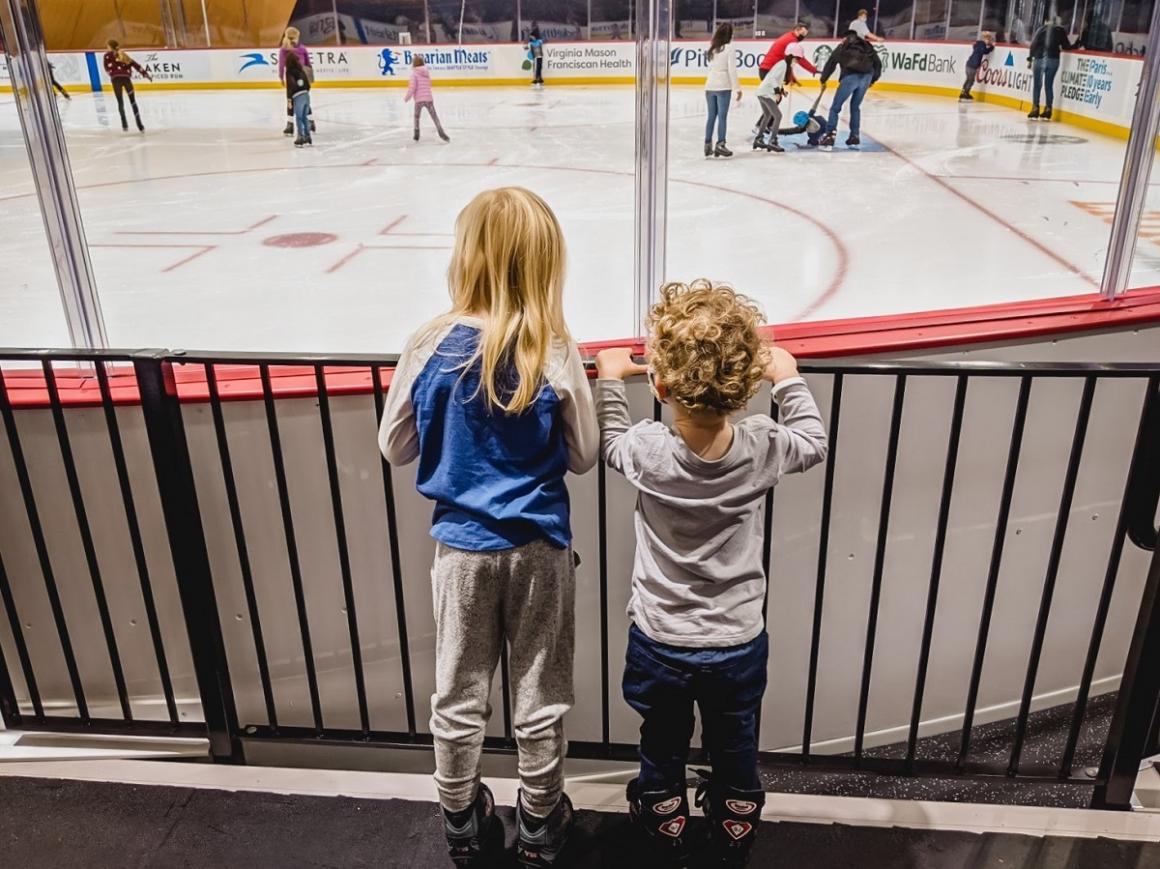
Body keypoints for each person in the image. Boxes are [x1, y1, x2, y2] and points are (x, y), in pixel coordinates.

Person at [379, 187, 598, 869]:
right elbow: (586, 453)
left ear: (465, 256)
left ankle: (461, 820)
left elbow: (396, 445)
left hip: (461, 552)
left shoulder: (429, 345)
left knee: (458, 690)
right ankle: (539, 821)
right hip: (538, 550)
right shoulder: (554, 350)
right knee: (539, 693)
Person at [594, 280, 827, 868]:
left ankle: (664, 817)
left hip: (661, 638)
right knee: (735, 737)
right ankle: (736, 817)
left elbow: (611, 439)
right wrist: (789, 377)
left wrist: (610, 378)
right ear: (745, 381)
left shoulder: (649, 452)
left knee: (662, 738)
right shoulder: (763, 446)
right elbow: (814, 442)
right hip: (736, 640)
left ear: (663, 385)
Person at [818, 30, 882, 148]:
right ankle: (854, 135)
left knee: (835, 108)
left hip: (850, 77)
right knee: (855, 107)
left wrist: (823, 80)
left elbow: (831, 63)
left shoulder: (843, 46)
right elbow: (878, 64)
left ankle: (830, 135)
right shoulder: (866, 45)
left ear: (845, 37)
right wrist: (873, 80)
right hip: (866, 77)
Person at [753, 42, 806, 152]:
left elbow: (775, 79)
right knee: (778, 116)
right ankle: (772, 141)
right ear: (792, 56)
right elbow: (772, 79)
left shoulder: (783, 64)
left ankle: (758, 139)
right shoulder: (783, 65)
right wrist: (777, 91)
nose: (797, 62)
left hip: (762, 92)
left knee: (767, 115)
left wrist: (781, 91)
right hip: (766, 93)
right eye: (797, 59)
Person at [704, 22, 742, 158]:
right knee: (722, 117)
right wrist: (737, 88)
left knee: (711, 116)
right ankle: (721, 144)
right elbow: (732, 70)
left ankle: (707, 145)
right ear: (730, 35)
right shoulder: (729, 48)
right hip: (723, 86)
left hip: (709, 86)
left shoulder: (713, 48)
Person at [1027, 17, 1075, 120]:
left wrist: (1030, 59)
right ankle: (1048, 109)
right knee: (1049, 85)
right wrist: (1077, 44)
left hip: (1040, 59)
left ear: (1045, 21)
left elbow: (1033, 45)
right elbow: (1066, 46)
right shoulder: (1060, 30)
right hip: (1054, 60)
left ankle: (1035, 109)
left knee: (1037, 85)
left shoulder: (1040, 29)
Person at [102, 40, 152, 132]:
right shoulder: (123, 54)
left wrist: (112, 73)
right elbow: (135, 65)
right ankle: (140, 125)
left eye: (107, 46)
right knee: (133, 102)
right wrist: (145, 74)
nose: (107, 48)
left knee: (120, 102)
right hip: (126, 79)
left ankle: (124, 123)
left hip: (116, 80)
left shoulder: (107, 56)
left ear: (110, 47)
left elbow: (106, 67)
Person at [279, 27, 315, 136]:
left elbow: (281, 65)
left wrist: (281, 77)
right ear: (297, 37)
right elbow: (308, 64)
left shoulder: (283, 50)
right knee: (304, 100)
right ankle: (311, 121)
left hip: (290, 78)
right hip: (302, 76)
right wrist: (310, 78)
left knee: (290, 101)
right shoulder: (302, 48)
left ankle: (290, 125)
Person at [405, 55, 450, 142]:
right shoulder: (426, 72)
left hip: (419, 100)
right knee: (434, 117)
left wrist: (407, 97)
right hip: (429, 99)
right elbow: (430, 84)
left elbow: (412, 88)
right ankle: (441, 133)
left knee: (416, 117)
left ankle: (416, 134)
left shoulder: (414, 74)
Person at [285, 51, 312, 147]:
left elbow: (290, 86)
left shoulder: (289, 71)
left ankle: (300, 137)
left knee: (299, 118)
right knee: (304, 117)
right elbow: (308, 86)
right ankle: (308, 137)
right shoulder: (301, 70)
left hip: (298, 97)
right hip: (306, 95)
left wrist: (289, 100)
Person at [959, 31, 995, 100]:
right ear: (986, 39)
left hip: (968, 64)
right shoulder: (982, 44)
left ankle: (963, 92)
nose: (989, 41)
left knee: (969, 79)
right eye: (989, 39)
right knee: (971, 80)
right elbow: (985, 51)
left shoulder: (978, 44)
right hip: (972, 66)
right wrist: (991, 47)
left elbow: (980, 49)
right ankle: (965, 93)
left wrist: (989, 45)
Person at [528, 23, 545, 87]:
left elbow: (534, 39)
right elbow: (534, 39)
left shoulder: (534, 32)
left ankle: (538, 78)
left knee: (538, 64)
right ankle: (538, 78)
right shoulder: (535, 32)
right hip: (536, 48)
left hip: (536, 48)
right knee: (538, 64)